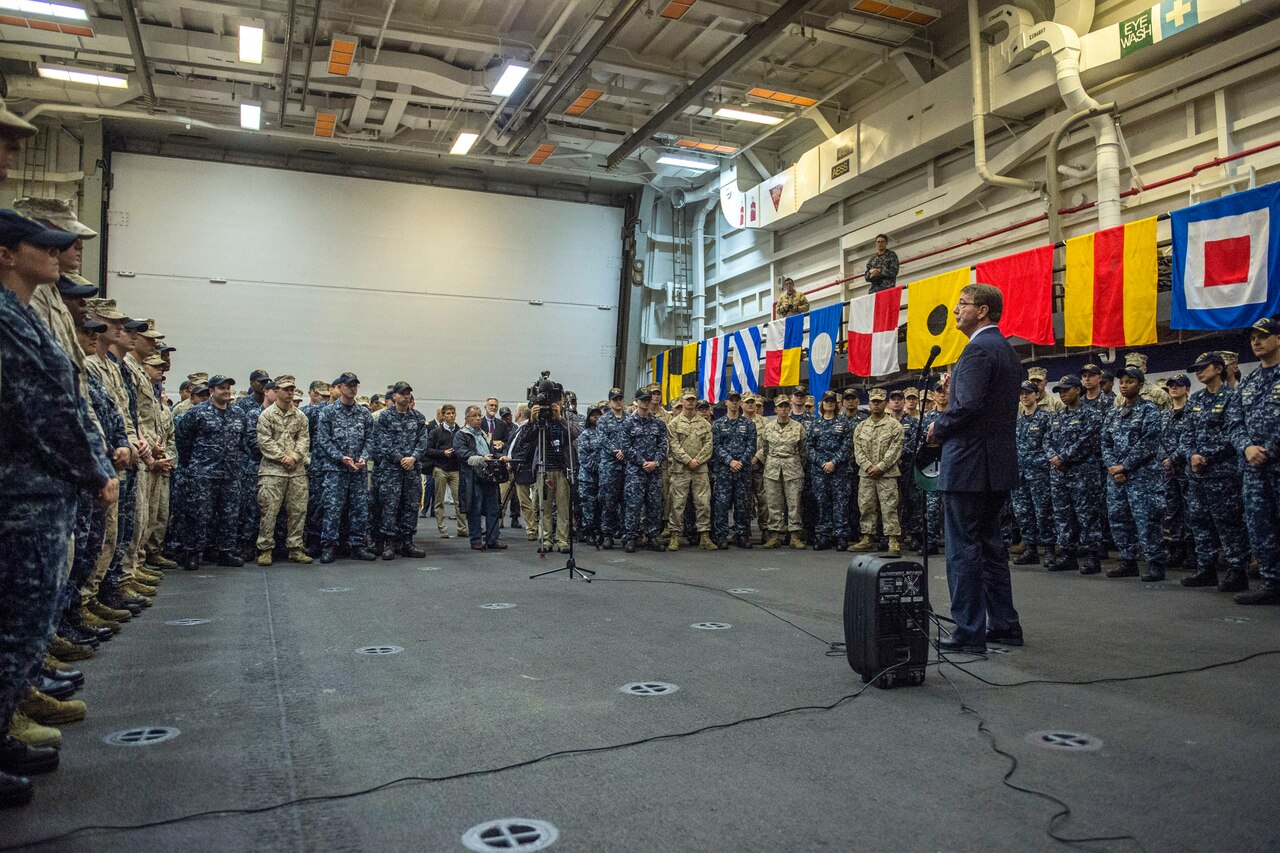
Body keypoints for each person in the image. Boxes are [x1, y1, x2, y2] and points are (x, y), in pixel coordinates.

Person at [0, 208, 118, 807]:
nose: (66, 250)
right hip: (23, 484)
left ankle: (19, 696)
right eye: (48, 244)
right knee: (15, 610)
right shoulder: (13, 313)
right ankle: (12, 707)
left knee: (29, 607)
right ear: (6, 253)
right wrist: (89, 467)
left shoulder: (31, 309)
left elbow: (64, 400)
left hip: (44, 480)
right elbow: (39, 406)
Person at [925, 283, 1023, 653]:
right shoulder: (1005, 351)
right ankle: (1004, 624)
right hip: (995, 465)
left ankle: (968, 631)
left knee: (963, 549)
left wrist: (939, 426)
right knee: (991, 547)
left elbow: (968, 409)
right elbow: (983, 404)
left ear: (982, 311)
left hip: (968, 466)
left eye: (962, 304)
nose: (955, 311)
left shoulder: (977, 350)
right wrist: (956, 394)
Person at [1179, 352, 1250, 593]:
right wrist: (1191, 455)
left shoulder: (1232, 397)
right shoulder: (1195, 399)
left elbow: (1234, 433)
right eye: (1196, 369)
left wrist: (1206, 456)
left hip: (1223, 473)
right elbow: (1186, 434)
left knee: (1228, 523)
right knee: (1199, 521)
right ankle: (1205, 568)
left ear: (1218, 368)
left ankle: (1237, 571)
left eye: (1203, 367)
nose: (1199, 372)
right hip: (1197, 473)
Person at [174, 375, 249, 570]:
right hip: (203, 473)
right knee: (198, 515)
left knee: (230, 515)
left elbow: (242, 443)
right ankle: (192, 553)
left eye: (228, 388)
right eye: (221, 388)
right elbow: (183, 440)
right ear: (211, 391)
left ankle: (225, 552)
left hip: (230, 474)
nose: (226, 391)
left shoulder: (239, 414)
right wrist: (194, 464)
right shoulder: (197, 413)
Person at [1101, 366, 1168, 581]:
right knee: (1119, 518)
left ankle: (1155, 563)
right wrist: (1114, 467)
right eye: (1121, 382)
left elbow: (1149, 443)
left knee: (1146, 520)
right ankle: (1127, 561)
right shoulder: (1113, 413)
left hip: (1142, 477)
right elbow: (1105, 442)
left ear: (1140, 385)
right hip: (1117, 478)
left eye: (1129, 382)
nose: (1124, 385)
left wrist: (1125, 466)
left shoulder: (1149, 410)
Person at [1233, 318, 1280, 605]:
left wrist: (1269, 449)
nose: (1256, 342)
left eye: (1263, 336)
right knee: (1260, 526)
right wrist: (1247, 447)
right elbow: (1234, 421)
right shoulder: (1248, 381)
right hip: (1253, 469)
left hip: (1275, 463)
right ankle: (1271, 581)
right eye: (1252, 338)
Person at [314, 372, 376, 563]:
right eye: (349, 385)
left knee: (359, 509)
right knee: (332, 509)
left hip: (358, 469)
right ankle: (329, 546)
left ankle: (357, 545)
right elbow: (323, 439)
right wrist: (340, 457)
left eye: (355, 385)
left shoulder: (364, 413)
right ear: (340, 387)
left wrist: (364, 457)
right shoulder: (328, 412)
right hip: (335, 470)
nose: (352, 388)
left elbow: (370, 439)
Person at [1044, 375, 1104, 574]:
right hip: (1059, 475)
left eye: (1066, 389)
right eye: (1059, 390)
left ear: (1077, 390)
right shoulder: (1057, 416)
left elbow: (1086, 441)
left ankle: (1092, 557)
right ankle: (1068, 554)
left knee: (1087, 516)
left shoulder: (1091, 415)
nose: (1062, 393)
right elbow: (1046, 440)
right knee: (1062, 515)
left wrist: (1063, 457)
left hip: (1082, 473)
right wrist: (1053, 455)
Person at [254, 375, 313, 566]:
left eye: (292, 389)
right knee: (268, 511)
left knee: (298, 510)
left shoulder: (300, 416)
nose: (290, 392)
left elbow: (304, 440)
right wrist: (283, 457)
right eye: (286, 389)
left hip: (296, 471)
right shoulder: (267, 415)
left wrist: (295, 457)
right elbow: (264, 441)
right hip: (273, 471)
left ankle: (295, 548)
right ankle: (265, 549)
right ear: (276, 391)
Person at [370, 382, 429, 560]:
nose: (406, 396)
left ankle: (407, 542)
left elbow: (423, 441)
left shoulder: (418, 417)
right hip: (391, 470)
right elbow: (382, 442)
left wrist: (413, 458)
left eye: (408, 393)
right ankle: (389, 543)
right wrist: (400, 459)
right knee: (390, 505)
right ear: (394, 396)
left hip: (412, 469)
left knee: (411, 505)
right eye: (402, 393)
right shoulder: (385, 417)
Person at [851, 389, 903, 556]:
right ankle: (867, 537)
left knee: (889, 507)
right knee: (866, 506)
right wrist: (867, 466)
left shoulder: (894, 425)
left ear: (885, 403)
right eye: (873, 401)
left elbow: (895, 449)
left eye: (880, 401)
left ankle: (893, 540)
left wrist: (880, 466)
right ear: (869, 403)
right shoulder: (861, 427)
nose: (876, 404)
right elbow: (857, 451)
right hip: (866, 474)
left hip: (886, 474)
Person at [1010, 382, 1054, 567]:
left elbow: (1050, 445)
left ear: (1037, 395)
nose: (1024, 397)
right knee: (1023, 513)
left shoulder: (1046, 418)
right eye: (1021, 394)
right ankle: (1030, 549)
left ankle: (1050, 550)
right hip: (1020, 474)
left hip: (1039, 474)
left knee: (1043, 512)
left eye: (1028, 393)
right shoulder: (1018, 421)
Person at [666, 389, 716, 551]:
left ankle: (704, 536)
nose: (690, 402)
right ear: (682, 400)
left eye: (693, 399)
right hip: (681, 469)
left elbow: (709, 445)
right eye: (687, 399)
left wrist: (698, 460)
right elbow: (673, 445)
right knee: (677, 503)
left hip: (700, 470)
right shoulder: (673, 424)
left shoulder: (704, 424)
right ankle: (675, 536)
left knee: (703, 503)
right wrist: (688, 460)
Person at [620, 388, 668, 553]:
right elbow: (625, 447)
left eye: (648, 399)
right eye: (643, 399)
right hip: (635, 471)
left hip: (654, 471)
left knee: (654, 505)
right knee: (633, 505)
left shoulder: (658, 423)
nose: (646, 402)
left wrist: (655, 462)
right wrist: (642, 462)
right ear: (637, 401)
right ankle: (631, 537)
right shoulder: (628, 423)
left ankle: (652, 537)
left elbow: (663, 445)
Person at [455, 405, 508, 551]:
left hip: (489, 476)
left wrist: (500, 456)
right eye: (474, 416)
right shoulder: (461, 435)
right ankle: (476, 539)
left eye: (479, 415)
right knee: (475, 508)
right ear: (466, 419)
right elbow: (462, 453)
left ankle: (492, 538)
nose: (478, 418)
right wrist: (480, 458)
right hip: (473, 477)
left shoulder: (484, 434)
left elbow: (492, 452)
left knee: (493, 508)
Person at [758, 395, 807, 549]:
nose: (784, 409)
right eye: (781, 406)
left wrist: (795, 463)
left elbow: (803, 451)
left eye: (786, 406)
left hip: (792, 468)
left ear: (790, 408)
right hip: (772, 469)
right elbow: (764, 449)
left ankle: (794, 535)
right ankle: (775, 535)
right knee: (773, 503)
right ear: (775, 409)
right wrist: (771, 462)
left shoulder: (798, 427)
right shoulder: (768, 427)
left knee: (794, 503)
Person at [807, 390, 853, 551]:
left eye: (832, 401)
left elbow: (847, 446)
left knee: (840, 505)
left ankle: (841, 536)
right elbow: (809, 448)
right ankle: (825, 536)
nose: (829, 403)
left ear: (836, 404)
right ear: (822, 404)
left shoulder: (843, 423)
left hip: (839, 471)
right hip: (820, 472)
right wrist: (822, 464)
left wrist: (833, 462)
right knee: (823, 504)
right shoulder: (815, 424)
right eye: (826, 401)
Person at [711, 391, 756, 549]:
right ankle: (721, 535)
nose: (734, 403)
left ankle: (741, 534)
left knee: (742, 504)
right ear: (726, 403)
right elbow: (716, 447)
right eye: (732, 400)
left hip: (743, 470)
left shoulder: (749, 424)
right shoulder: (718, 424)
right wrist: (730, 461)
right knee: (722, 504)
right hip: (724, 470)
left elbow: (752, 446)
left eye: (737, 401)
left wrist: (741, 462)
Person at [425, 404, 468, 540]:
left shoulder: (460, 431)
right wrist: (443, 453)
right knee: (439, 501)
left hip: (455, 469)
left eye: (453, 413)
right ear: (443, 416)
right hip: (440, 469)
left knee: (459, 501)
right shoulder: (435, 432)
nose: (451, 416)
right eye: (448, 413)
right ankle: (442, 528)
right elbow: (427, 450)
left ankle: (462, 528)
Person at [595, 388, 628, 549]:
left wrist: (625, 451)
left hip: (628, 465)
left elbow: (634, 439)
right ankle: (607, 534)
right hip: (609, 466)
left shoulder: (630, 418)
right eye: (615, 399)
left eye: (620, 398)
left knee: (628, 502)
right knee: (609, 502)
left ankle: (626, 534)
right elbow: (602, 440)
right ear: (609, 402)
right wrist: (617, 452)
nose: (618, 401)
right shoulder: (603, 420)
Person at [576, 406, 606, 546]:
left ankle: (599, 531)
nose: (596, 418)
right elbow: (583, 458)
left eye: (598, 415)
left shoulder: (605, 433)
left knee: (601, 505)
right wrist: (598, 468)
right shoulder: (585, 434)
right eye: (593, 416)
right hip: (587, 477)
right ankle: (588, 531)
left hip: (603, 477)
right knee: (588, 505)